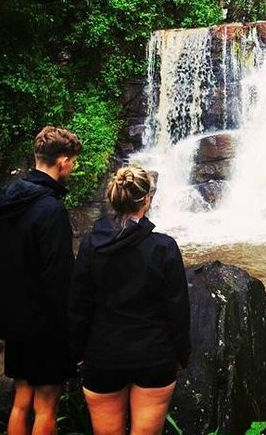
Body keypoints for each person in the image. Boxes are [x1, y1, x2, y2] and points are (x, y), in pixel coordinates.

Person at [69, 165, 191, 435]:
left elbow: (79, 306)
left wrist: (76, 352)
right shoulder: (164, 247)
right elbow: (178, 309)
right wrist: (182, 354)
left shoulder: (90, 245)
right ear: (147, 199)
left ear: (112, 200)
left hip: (103, 355)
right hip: (154, 355)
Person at [0, 126, 82, 435]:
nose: (74, 167)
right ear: (63, 161)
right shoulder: (50, 209)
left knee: (21, 400)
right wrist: (72, 329)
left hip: (13, 319)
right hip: (44, 324)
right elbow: (59, 277)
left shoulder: (6, 202)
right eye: (74, 161)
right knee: (46, 407)